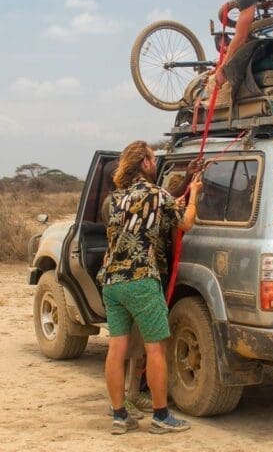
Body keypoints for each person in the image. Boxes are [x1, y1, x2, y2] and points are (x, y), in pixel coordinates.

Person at [100, 140, 201, 435]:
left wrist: (179, 196)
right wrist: (194, 194)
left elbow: (161, 208)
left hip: (112, 282)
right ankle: (161, 415)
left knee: (116, 347)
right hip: (141, 279)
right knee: (155, 347)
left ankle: (119, 416)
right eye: (153, 159)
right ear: (145, 162)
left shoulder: (117, 197)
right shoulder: (155, 194)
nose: (155, 162)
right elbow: (186, 223)